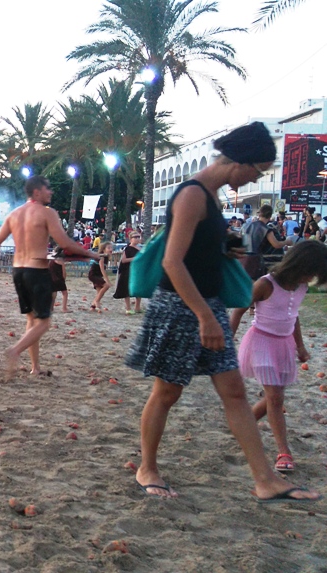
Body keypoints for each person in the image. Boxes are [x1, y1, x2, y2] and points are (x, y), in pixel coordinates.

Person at [125, 121, 320, 503]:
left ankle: (265, 480)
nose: (255, 179)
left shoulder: (211, 196)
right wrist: (205, 316)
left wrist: (224, 248)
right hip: (180, 307)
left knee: (234, 392)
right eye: (258, 171)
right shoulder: (192, 194)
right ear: (240, 161)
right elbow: (172, 263)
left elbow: (196, 252)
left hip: (206, 304)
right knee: (167, 392)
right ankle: (147, 468)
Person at [228, 240, 327, 473]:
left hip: (284, 345)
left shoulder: (301, 287)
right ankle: (284, 451)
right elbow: (239, 310)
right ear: (299, 265)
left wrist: (300, 346)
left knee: (275, 396)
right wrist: (227, 342)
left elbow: (293, 316)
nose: (311, 278)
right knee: (275, 398)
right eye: (311, 272)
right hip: (261, 342)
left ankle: (243, 425)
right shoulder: (266, 284)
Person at [0, 176, 100, 377]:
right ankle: (15, 350)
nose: (51, 192)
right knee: (44, 322)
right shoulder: (47, 213)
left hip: (18, 271)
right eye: (48, 188)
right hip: (36, 271)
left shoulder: (14, 214)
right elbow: (64, 243)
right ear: (37, 192)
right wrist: (90, 253)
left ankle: (35, 367)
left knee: (32, 321)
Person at [113, 231, 143, 315]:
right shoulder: (127, 248)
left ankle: (137, 307)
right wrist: (135, 258)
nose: (137, 239)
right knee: (126, 289)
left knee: (138, 289)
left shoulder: (140, 248)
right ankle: (128, 308)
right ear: (130, 239)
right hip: (128, 271)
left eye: (138, 237)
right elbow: (124, 260)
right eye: (135, 237)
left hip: (137, 270)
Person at [88, 241, 113, 312]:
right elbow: (102, 270)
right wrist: (107, 280)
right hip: (93, 275)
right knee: (106, 286)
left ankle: (93, 306)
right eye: (108, 248)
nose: (111, 249)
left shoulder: (106, 257)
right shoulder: (102, 257)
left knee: (99, 292)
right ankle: (97, 301)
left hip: (98, 275)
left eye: (111, 248)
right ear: (103, 249)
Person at [49, 248, 69, 313]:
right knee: (65, 294)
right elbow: (64, 272)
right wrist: (64, 279)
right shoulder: (61, 261)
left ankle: (51, 308)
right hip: (59, 279)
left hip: (52, 279)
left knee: (54, 294)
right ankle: (64, 308)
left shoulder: (51, 261)